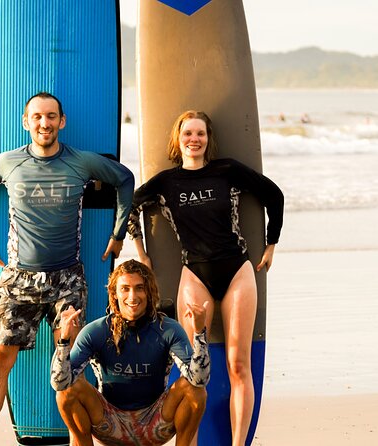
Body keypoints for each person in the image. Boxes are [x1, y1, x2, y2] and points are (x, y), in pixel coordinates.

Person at [0, 92, 135, 446]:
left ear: (62, 122)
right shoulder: (7, 163)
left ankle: (79, 441)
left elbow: (124, 180)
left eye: (51, 117)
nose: (44, 123)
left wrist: (118, 234)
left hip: (67, 280)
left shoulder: (81, 162)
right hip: (19, 279)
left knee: (71, 360)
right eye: (37, 117)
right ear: (26, 122)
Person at [127, 110, 284, 445]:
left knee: (237, 364)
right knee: (193, 370)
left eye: (200, 134)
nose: (194, 140)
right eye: (188, 134)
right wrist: (141, 252)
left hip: (238, 270)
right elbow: (129, 207)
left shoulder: (226, 170)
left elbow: (274, 195)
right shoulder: (167, 182)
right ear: (178, 138)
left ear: (208, 139)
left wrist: (272, 242)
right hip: (195, 274)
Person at [51, 259, 209, 446]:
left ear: (149, 292)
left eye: (139, 288)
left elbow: (199, 380)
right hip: (109, 423)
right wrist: (64, 341)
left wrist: (199, 333)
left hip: (155, 424)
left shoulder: (168, 329)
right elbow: (59, 383)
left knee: (195, 391)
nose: (132, 297)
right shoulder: (96, 331)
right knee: (68, 392)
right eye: (125, 288)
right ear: (114, 294)